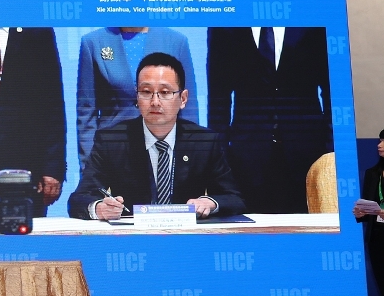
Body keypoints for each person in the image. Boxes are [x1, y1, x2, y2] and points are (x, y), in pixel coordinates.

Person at [67, 52, 244, 220]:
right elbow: (78, 199)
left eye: (165, 92)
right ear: (137, 97)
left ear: (183, 99)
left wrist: (210, 203)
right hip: (134, 236)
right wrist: (99, 208)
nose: (155, 102)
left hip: (186, 235)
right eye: (146, 92)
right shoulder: (111, 141)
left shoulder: (204, 142)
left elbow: (234, 198)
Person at [207, 27, 333, 213]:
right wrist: (220, 156)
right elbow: (218, 99)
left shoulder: (312, 26)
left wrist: (331, 150)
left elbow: (332, 93)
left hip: (307, 153)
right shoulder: (226, 29)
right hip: (247, 157)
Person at [0, 27, 66, 217]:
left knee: (25, 234)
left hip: (27, 170)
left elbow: (52, 103)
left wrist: (52, 169)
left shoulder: (37, 32)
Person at [77, 27, 198, 171]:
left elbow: (188, 111)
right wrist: (89, 166)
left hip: (164, 150)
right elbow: (86, 112)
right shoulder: (93, 42)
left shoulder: (176, 41)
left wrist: (190, 160)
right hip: (112, 153)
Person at [354, 132, 384, 296]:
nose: (379, 145)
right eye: (380, 141)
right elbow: (369, 206)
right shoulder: (372, 173)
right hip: (377, 239)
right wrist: (362, 214)